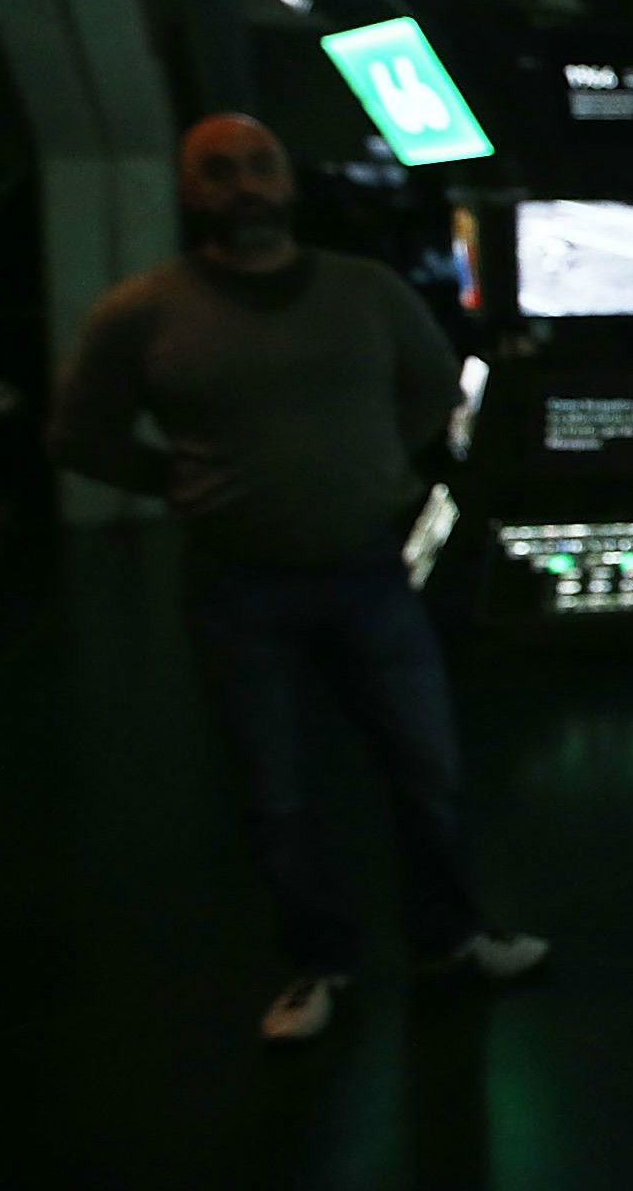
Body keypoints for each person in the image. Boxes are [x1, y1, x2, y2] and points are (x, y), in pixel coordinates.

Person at [50, 113, 546, 1041]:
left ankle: (450, 938)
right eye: (220, 170)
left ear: (286, 180)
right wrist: (185, 485)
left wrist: (377, 468)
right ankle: (319, 961)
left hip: (368, 570)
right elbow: (80, 434)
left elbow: (435, 384)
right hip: (238, 583)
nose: (244, 185)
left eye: (259, 166)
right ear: (190, 189)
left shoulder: (367, 292)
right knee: (275, 791)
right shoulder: (142, 311)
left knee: (428, 768)